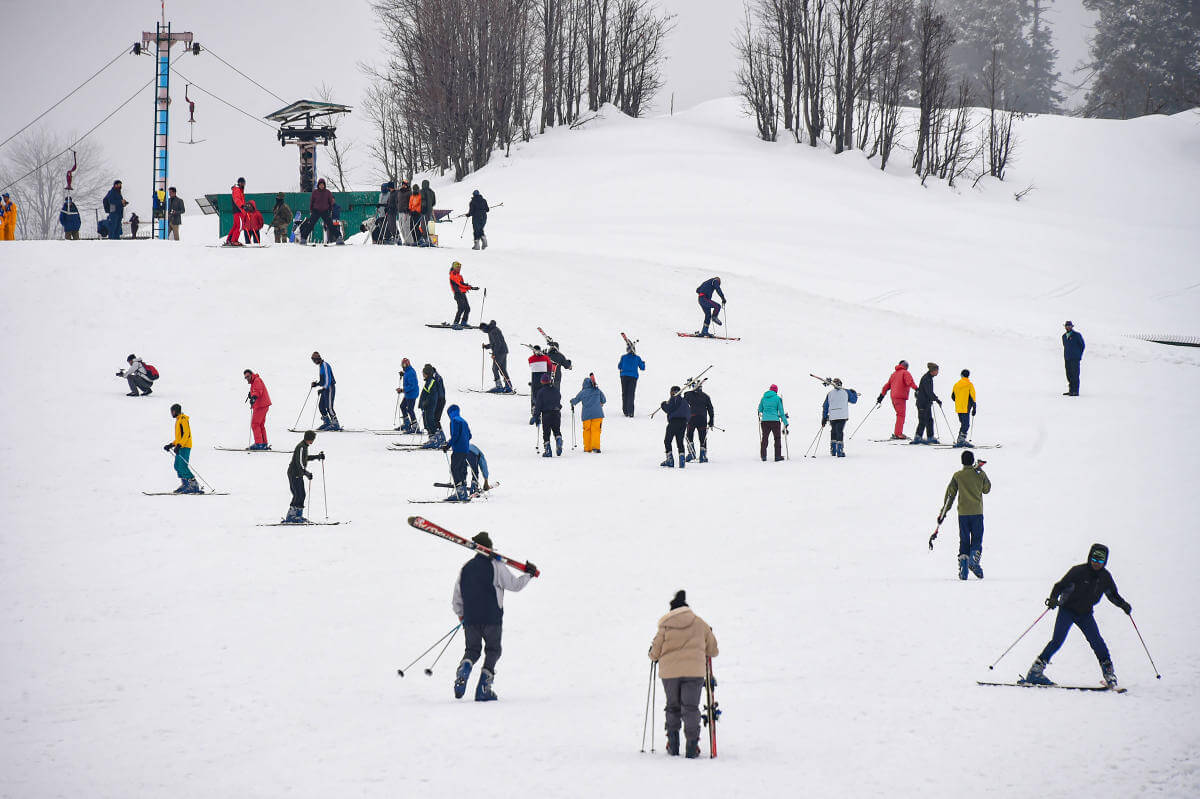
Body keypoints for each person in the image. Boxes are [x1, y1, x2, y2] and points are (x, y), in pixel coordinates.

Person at [1023, 543, 1132, 689]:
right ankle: (1035, 672)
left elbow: (1112, 595)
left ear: (1105, 562)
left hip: (1085, 614)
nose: (1096, 563)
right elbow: (1059, 586)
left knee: (1097, 642)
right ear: (1089, 557)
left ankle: (1109, 674)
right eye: (1094, 559)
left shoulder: (1105, 577)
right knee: (1057, 641)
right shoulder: (1078, 571)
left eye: (1100, 561)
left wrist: (1123, 605)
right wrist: (1054, 599)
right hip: (1067, 610)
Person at [451, 531, 537, 702]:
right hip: (492, 619)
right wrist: (529, 574)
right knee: (493, 650)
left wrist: (461, 616)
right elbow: (514, 585)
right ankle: (483, 688)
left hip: (470, 619)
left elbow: (457, 597)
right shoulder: (497, 566)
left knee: (472, 650)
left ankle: (465, 666)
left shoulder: (466, 568)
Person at [648, 590, 719, 759]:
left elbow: (654, 653)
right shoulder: (700, 623)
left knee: (673, 706)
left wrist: (652, 653)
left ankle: (673, 744)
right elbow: (713, 650)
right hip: (694, 672)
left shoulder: (665, 625)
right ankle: (692, 746)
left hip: (669, 673)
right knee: (691, 708)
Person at [938, 450, 991, 580]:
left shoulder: (958, 476)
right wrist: (981, 473)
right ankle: (974, 558)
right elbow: (987, 489)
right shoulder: (979, 474)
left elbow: (950, 496)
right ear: (973, 461)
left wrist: (943, 513)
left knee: (964, 539)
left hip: (963, 514)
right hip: (977, 513)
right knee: (977, 538)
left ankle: (963, 566)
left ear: (962, 461)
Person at [284, 430, 324, 523]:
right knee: (298, 494)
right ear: (309, 439)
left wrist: (317, 457)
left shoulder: (304, 446)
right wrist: (306, 473)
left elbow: (304, 458)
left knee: (302, 494)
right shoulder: (301, 447)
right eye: (312, 439)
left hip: (298, 474)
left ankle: (298, 515)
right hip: (294, 473)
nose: (312, 441)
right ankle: (291, 516)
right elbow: (300, 463)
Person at [876, 360, 917, 440]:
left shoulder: (894, 374)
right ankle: (898, 434)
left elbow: (886, 386)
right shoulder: (905, 373)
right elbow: (910, 382)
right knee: (901, 415)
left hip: (894, 398)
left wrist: (881, 397)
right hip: (900, 397)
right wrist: (917, 389)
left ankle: (897, 432)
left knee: (899, 414)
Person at [163, 403, 199, 494]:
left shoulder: (183, 420)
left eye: (172, 411)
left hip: (185, 446)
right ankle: (185, 484)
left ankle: (194, 485)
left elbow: (186, 434)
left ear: (176, 411)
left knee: (183, 466)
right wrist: (171, 445)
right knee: (177, 466)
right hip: (181, 446)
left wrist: (179, 445)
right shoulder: (178, 420)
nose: (171, 413)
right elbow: (179, 437)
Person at [441, 404, 474, 501]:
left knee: (455, 469)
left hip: (458, 449)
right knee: (462, 468)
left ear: (450, 413)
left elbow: (455, 436)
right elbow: (470, 435)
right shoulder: (463, 421)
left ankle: (459, 493)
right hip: (465, 449)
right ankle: (463, 490)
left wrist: (447, 445)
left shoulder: (454, 421)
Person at [821, 378, 859, 458]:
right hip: (842, 415)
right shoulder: (846, 392)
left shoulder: (830, 393)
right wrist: (854, 393)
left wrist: (824, 417)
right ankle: (840, 450)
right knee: (839, 431)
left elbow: (825, 406)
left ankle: (833, 450)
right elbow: (854, 400)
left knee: (834, 430)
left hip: (833, 416)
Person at [571, 373, 607, 454]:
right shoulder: (597, 390)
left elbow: (575, 400)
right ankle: (596, 447)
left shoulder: (582, 392)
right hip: (597, 415)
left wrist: (571, 401)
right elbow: (604, 400)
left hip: (586, 416)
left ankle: (587, 448)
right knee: (596, 430)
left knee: (586, 431)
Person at [531, 374, 563, 457]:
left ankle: (548, 451)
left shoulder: (541, 392)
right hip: (556, 413)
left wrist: (535, 416)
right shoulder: (556, 390)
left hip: (546, 415)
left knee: (546, 433)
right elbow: (559, 398)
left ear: (542, 382)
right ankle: (558, 439)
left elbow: (538, 406)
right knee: (556, 430)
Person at [660, 386, 691, 468]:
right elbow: (688, 413)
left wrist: (663, 404)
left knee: (667, 440)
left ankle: (670, 460)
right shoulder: (684, 401)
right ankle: (682, 461)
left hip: (673, 422)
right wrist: (685, 421)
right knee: (680, 441)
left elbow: (668, 409)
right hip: (683, 423)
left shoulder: (674, 399)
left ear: (672, 392)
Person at [684, 380, 714, 463]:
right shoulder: (706, 396)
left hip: (692, 418)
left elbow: (683, 403)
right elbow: (711, 409)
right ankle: (703, 455)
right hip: (702, 419)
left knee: (689, 435)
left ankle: (691, 453)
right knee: (702, 437)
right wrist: (711, 420)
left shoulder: (688, 394)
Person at [912, 363, 942, 445]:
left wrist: (935, 399)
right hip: (922, 403)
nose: (937, 372)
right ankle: (918, 437)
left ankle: (930, 437)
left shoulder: (929, 378)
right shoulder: (926, 379)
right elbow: (928, 392)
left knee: (929, 420)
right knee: (923, 420)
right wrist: (936, 399)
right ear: (932, 371)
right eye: (936, 370)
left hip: (927, 403)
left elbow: (930, 392)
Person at [301, 178, 339, 244]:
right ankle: (303, 238)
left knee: (331, 225)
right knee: (310, 224)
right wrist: (311, 210)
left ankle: (339, 238)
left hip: (325, 211)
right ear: (318, 185)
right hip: (316, 211)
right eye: (320, 184)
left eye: (323, 185)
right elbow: (312, 202)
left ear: (324, 185)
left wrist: (330, 210)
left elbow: (331, 202)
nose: (321, 186)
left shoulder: (328, 192)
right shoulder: (315, 192)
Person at [478, 320, 512, 392]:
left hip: (500, 352)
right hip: (503, 351)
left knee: (495, 368)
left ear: (484, 328)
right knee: (502, 369)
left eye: (482, 330)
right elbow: (494, 343)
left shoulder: (493, 331)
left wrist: (494, 354)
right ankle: (508, 386)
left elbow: (498, 344)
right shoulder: (493, 330)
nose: (483, 332)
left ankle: (499, 386)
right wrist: (486, 346)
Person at [419, 363, 447, 448]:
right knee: (435, 419)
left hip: (439, 401)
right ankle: (440, 437)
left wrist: (430, 402)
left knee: (433, 419)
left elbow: (437, 393)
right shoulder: (434, 377)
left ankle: (436, 438)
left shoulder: (435, 378)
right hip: (437, 401)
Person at [757, 384, 788, 462]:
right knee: (777, 439)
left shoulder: (763, 398)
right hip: (775, 422)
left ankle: (763, 456)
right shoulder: (778, 398)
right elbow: (781, 412)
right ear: (776, 391)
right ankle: (777, 456)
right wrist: (785, 422)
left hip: (765, 421)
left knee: (765, 438)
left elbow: (760, 409)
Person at [310, 351, 340, 431]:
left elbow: (328, 380)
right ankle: (327, 422)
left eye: (316, 359)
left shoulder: (325, 365)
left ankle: (335, 424)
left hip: (330, 388)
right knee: (321, 406)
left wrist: (323, 388)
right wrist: (316, 384)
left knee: (329, 407)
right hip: (325, 388)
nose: (315, 361)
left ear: (319, 358)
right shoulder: (321, 366)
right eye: (313, 360)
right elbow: (323, 381)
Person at [244, 369, 272, 450]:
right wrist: (251, 395)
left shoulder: (256, 380)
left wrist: (253, 397)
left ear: (252, 374)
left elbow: (258, 391)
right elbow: (257, 390)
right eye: (245, 377)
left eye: (248, 376)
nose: (247, 378)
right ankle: (264, 443)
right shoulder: (255, 381)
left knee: (255, 424)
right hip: (263, 405)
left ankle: (259, 444)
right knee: (260, 424)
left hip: (261, 406)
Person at [618, 341, 646, 417]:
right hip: (633, 377)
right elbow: (642, 368)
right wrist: (643, 363)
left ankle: (625, 411)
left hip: (623, 376)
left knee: (625, 393)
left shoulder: (623, 357)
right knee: (631, 394)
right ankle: (630, 412)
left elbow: (619, 366)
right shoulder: (637, 358)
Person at [950, 369, 977, 447]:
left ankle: (960, 439)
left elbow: (953, 396)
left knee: (963, 424)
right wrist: (974, 408)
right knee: (966, 425)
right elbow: (973, 397)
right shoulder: (969, 384)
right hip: (966, 408)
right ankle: (961, 440)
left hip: (958, 408)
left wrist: (959, 401)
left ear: (961, 375)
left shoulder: (956, 384)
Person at [449, 262, 478, 329]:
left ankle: (463, 322)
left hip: (462, 294)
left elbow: (462, 285)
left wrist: (470, 287)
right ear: (453, 267)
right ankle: (455, 323)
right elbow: (460, 285)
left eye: (459, 267)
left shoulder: (459, 276)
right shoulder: (453, 275)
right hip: (458, 294)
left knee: (467, 308)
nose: (458, 268)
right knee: (461, 308)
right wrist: (470, 287)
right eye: (457, 267)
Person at [395, 358, 421, 432]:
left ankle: (415, 426)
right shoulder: (407, 371)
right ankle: (407, 423)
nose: (403, 366)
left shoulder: (411, 372)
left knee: (410, 409)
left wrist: (402, 390)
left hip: (412, 394)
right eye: (402, 365)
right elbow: (407, 375)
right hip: (408, 393)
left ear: (407, 364)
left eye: (404, 365)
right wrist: (403, 374)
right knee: (402, 406)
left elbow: (412, 385)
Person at [1062, 321, 1085, 396]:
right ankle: (1071, 390)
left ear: (1072, 327)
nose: (1068, 327)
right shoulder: (1064, 336)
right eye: (1067, 326)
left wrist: (1078, 355)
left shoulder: (1077, 335)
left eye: (1069, 326)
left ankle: (1075, 391)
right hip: (1067, 358)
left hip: (1075, 358)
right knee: (1069, 374)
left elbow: (1082, 345)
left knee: (1075, 374)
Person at [528, 345, 552, 413]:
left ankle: (534, 406)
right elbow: (550, 365)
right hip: (544, 378)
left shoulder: (530, 358)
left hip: (535, 378)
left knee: (534, 393)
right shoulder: (546, 357)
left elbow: (530, 365)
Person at [224, 177, 247, 246]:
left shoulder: (239, 190)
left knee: (236, 226)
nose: (243, 184)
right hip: (238, 210)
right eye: (242, 183)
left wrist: (244, 208)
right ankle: (234, 241)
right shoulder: (237, 190)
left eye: (244, 183)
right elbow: (237, 199)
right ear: (239, 183)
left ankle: (229, 240)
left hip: (238, 210)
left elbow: (240, 200)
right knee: (239, 226)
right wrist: (242, 206)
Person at [395, 179, 414, 245]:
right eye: (403, 184)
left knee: (406, 227)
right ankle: (405, 240)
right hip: (400, 211)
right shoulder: (399, 192)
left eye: (405, 184)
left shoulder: (409, 192)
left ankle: (410, 242)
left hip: (406, 212)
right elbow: (397, 201)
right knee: (401, 226)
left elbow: (412, 202)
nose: (404, 186)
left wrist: (409, 209)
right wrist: (397, 207)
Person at [421, 179, 437, 244]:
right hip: (430, 211)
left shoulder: (421, 191)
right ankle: (433, 241)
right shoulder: (432, 192)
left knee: (424, 225)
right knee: (431, 226)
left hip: (423, 211)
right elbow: (434, 202)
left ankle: (425, 239)